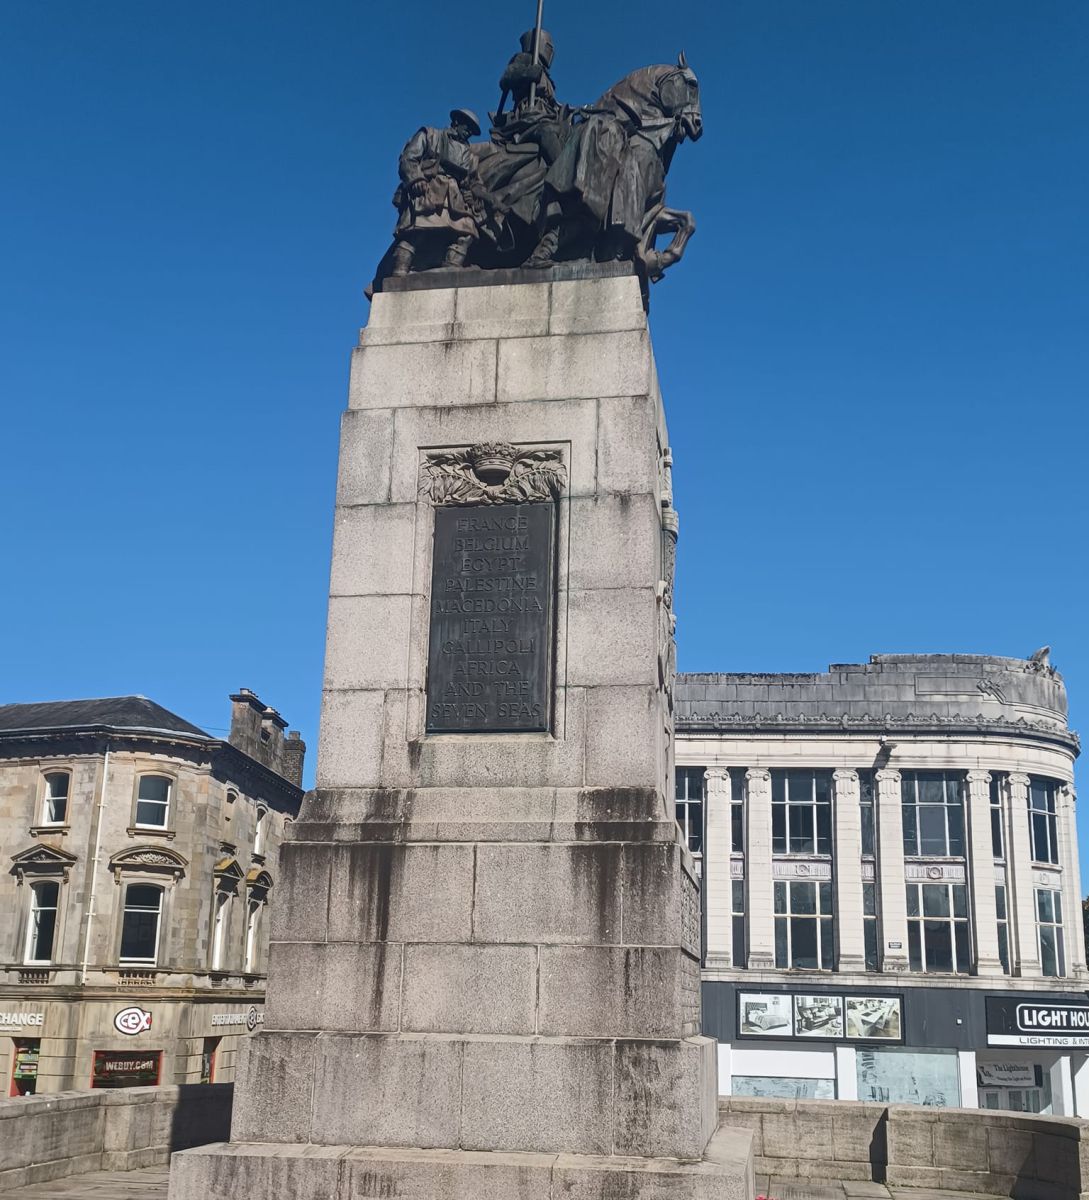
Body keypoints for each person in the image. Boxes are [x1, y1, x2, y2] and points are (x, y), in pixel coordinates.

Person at [387, 108, 483, 276]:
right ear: (456, 122)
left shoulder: (471, 157)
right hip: (429, 191)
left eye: (472, 130)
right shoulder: (430, 135)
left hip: (455, 198)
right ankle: (399, 272)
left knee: (467, 232)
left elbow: (473, 182)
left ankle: (450, 268)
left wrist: (476, 196)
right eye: (466, 126)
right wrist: (416, 179)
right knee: (415, 232)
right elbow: (408, 158)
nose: (468, 131)